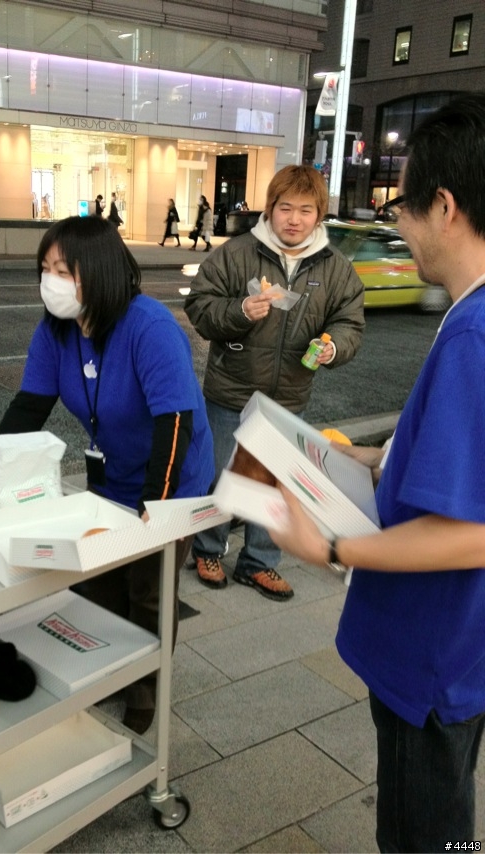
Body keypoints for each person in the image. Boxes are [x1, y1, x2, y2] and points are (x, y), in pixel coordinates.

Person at [269, 94, 485, 852]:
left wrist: (330, 547)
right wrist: (371, 456)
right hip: (460, 649)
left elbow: (471, 534)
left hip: (428, 652)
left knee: (426, 836)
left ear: (446, 206)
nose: (400, 225)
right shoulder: (470, 316)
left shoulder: (473, 335)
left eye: (406, 208)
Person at [0, 215, 214, 734]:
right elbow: (29, 406)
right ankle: (108, 666)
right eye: (45, 268)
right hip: (110, 475)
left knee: (149, 587)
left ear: (97, 270)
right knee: (101, 581)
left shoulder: (150, 327)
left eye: (63, 268)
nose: (50, 280)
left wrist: (157, 509)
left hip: (171, 477)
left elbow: (176, 422)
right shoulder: (56, 330)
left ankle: (147, 685)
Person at [184, 165, 365, 599]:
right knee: (218, 475)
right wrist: (240, 311)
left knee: (276, 481)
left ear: (319, 214)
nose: (294, 219)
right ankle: (207, 548)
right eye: (286, 208)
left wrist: (333, 347)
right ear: (271, 208)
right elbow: (199, 306)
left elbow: (350, 323)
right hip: (231, 389)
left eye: (306, 210)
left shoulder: (336, 268)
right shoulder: (237, 253)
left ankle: (259, 562)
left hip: (289, 395)